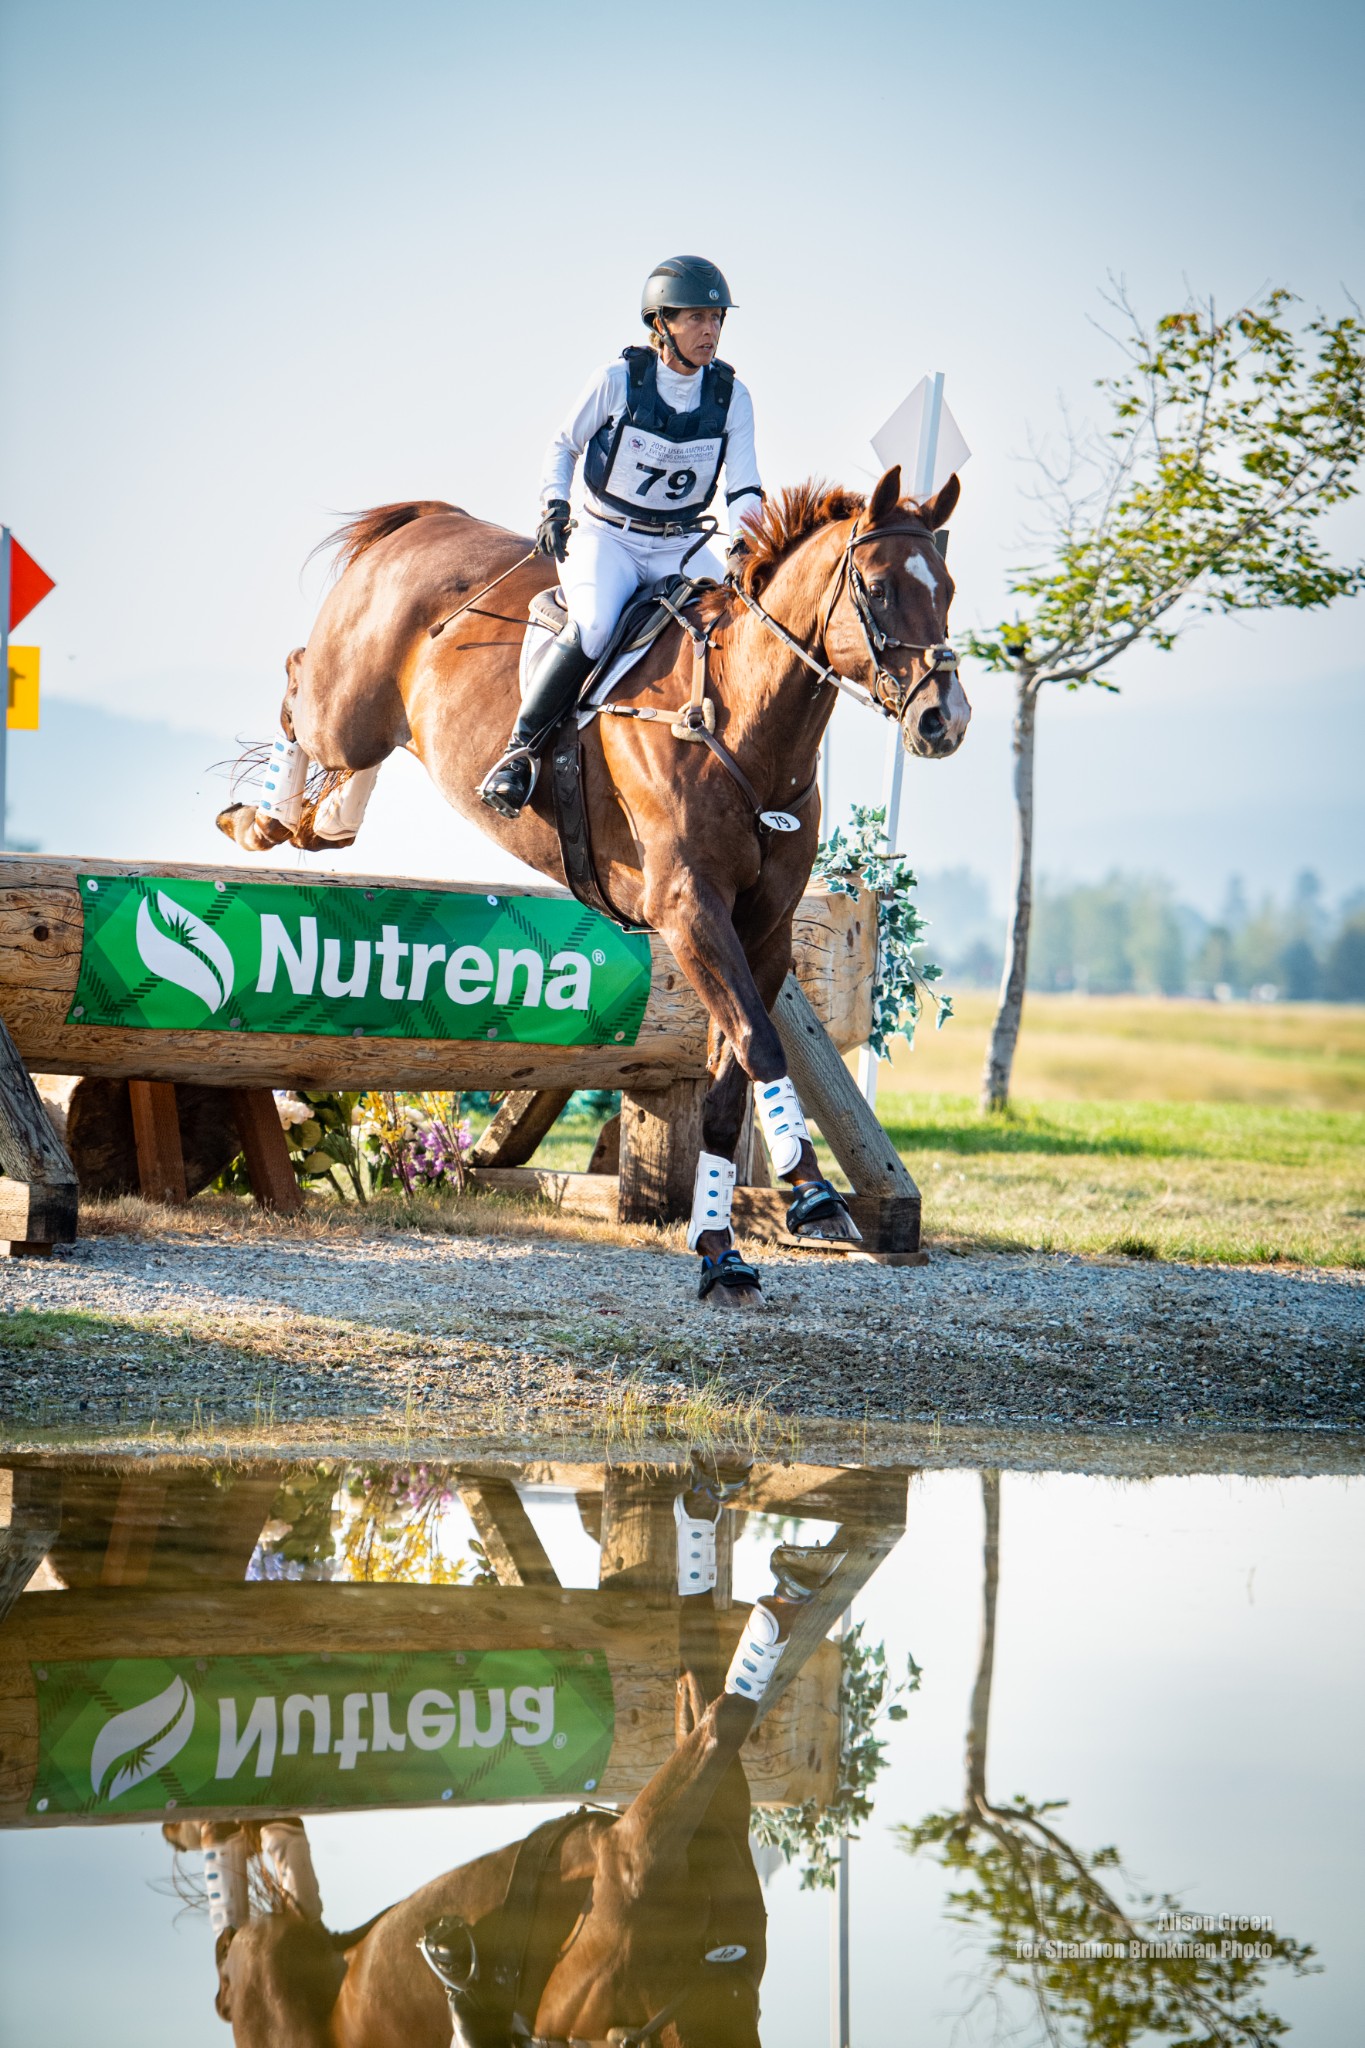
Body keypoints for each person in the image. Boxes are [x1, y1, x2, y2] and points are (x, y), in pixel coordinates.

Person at [479, 254, 765, 818]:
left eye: (716, 318)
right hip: (607, 538)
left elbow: (745, 487)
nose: (710, 330)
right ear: (661, 323)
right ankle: (519, 753)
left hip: (680, 544)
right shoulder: (616, 381)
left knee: (739, 624)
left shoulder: (733, 398)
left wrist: (745, 543)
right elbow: (563, 445)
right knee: (595, 627)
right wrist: (554, 505)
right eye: (695, 317)